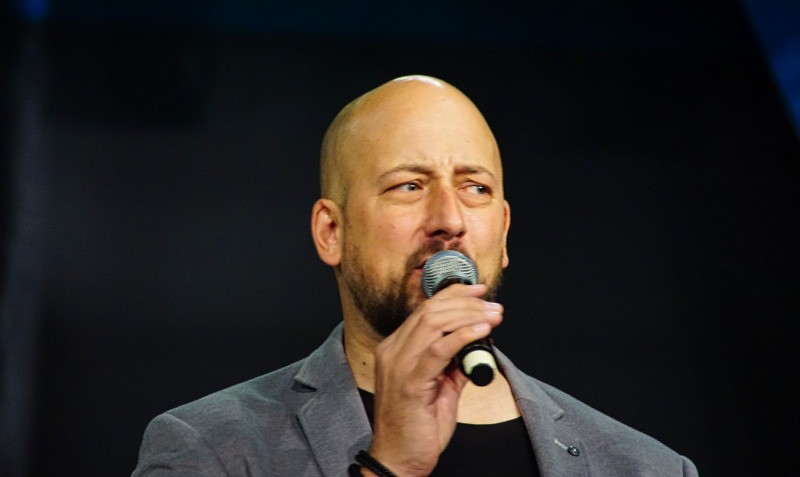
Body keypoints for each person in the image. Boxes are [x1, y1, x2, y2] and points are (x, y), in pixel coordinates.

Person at [132, 75, 698, 476]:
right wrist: (391, 467)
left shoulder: (648, 468)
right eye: (409, 185)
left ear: (503, 232)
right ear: (331, 231)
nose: (449, 219)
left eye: (475, 188)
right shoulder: (212, 449)